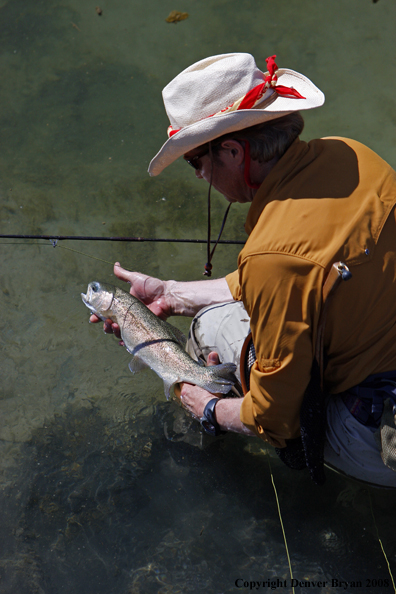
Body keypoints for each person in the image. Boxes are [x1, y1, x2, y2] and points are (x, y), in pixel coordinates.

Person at [91, 53, 396, 487]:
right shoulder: (350, 154)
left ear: (233, 151)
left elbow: (275, 419)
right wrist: (172, 294)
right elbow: (298, 276)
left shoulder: (273, 256)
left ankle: (210, 468)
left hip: (379, 429)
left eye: (195, 161)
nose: (198, 176)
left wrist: (203, 405)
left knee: (208, 331)